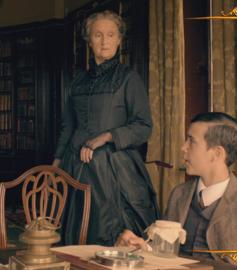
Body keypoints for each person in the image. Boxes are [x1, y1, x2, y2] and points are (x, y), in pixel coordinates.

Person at [116, 112, 237, 269]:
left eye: (191, 141)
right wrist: (143, 247)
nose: (183, 147)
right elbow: (165, 252)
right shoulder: (178, 194)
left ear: (216, 153)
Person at [52, 10, 159, 246]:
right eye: (98, 35)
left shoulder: (128, 78)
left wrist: (108, 136)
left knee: (115, 238)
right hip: (75, 165)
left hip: (115, 168)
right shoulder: (77, 81)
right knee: (74, 233)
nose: (104, 41)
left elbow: (144, 126)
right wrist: (57, 163)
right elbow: (68, 126)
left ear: (119, 40)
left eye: (110, 35)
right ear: (88, 40)